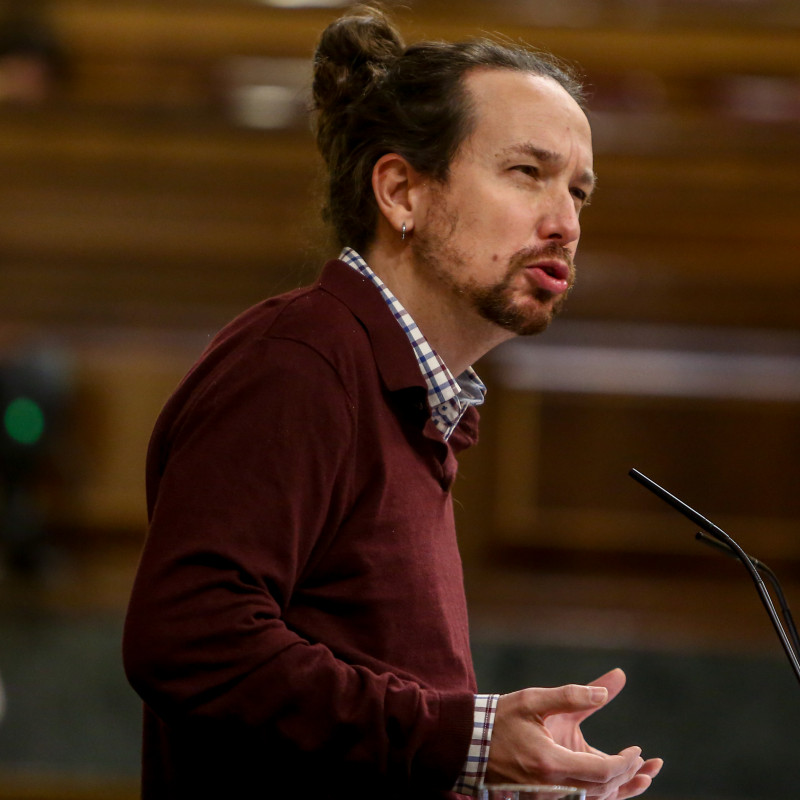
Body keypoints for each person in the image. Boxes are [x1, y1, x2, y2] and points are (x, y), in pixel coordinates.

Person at [121, 6, 663, 800]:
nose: (564, 224)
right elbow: (188, 640)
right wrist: (465, 741)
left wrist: (494, 774)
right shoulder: (300, 362)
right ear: (401, 190)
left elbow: (359, 721)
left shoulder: (408, 397)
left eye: (579, 193)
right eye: (527, 173)